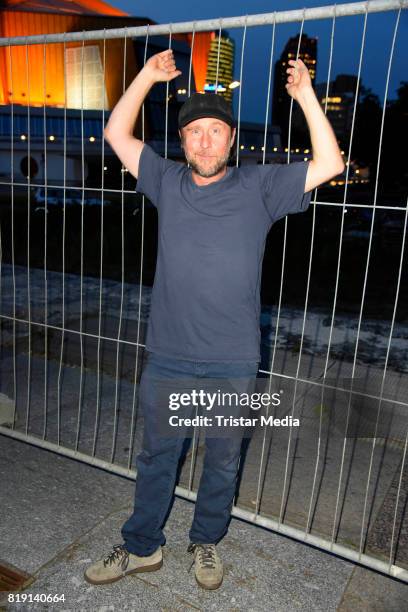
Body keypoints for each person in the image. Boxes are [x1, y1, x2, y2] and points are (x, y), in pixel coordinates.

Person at [84, 49, 344, 590]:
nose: (204, 141)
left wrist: (305, 99)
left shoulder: (260, 187)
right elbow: (116, 133)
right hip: (171, 354)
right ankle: (141, 547)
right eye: (194, 132)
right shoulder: (164, 180)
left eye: (215, 131)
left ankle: (205, 543)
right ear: (181, 143)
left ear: (231, 139)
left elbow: (330, 164)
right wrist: (145, 77)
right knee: (157, 457)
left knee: (222, 464)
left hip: (233, 358)